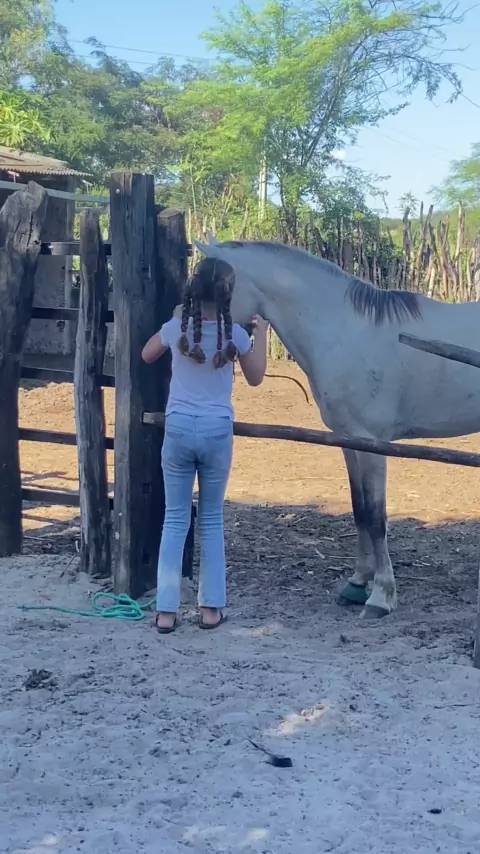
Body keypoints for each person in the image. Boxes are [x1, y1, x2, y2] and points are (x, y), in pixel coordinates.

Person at [141, 257, 268, 633]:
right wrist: (261, 333)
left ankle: (167, 611)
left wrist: (173, 325)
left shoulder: (177, 328)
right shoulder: (235, 336)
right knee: (211, 519)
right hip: (216, 431)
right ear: (229, 295)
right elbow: (257, 377)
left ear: (192, 290)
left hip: (179, 428)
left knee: (175, 519)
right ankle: (210, 608)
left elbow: (147, 354)